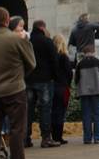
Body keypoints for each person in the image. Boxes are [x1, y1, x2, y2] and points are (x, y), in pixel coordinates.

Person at [0, 7, 37, 159]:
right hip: (14, 90)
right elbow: (31, 63)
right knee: (17, 129)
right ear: (7, 21)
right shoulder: (16, 39)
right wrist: (19, 75)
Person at [25, 19, 60, 148]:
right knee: (45, 109)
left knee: (28, 109)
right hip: (44, 79)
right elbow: (53, 60)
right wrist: (54, 76)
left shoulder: (27, 42)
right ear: (43, 28)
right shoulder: (47, 41)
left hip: (28, 78)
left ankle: (26, 137)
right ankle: (46, 137)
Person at [74, 45, 99, 144]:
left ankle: (87, 138)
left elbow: (76, 78)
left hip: (84, 92)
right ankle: (98, 137)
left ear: (83, 53)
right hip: (97, 90)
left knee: (86, 115)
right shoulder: (98, 61)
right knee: (97, 114)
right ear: (94, 52)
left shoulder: (80, 63)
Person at [50, 34, 72, 145]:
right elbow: (69, 73)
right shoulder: (64, 57)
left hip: (51, 86)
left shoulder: (50, 57)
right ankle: (58, 136)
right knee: (60, 112)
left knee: (52, 111)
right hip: (62, 86)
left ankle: (52, 135)